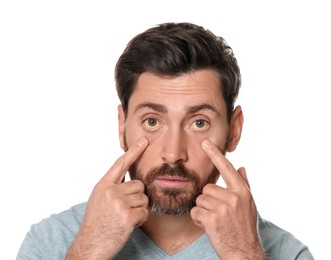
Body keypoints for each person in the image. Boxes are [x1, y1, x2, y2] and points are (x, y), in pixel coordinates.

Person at [17, 22, 314, 260]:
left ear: (233, 131)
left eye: (199, 123)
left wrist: (242, 253)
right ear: (122, 127)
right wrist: (90, 250)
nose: (173, 154)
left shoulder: (286, 253)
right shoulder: (51, 242)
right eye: (152, 122)